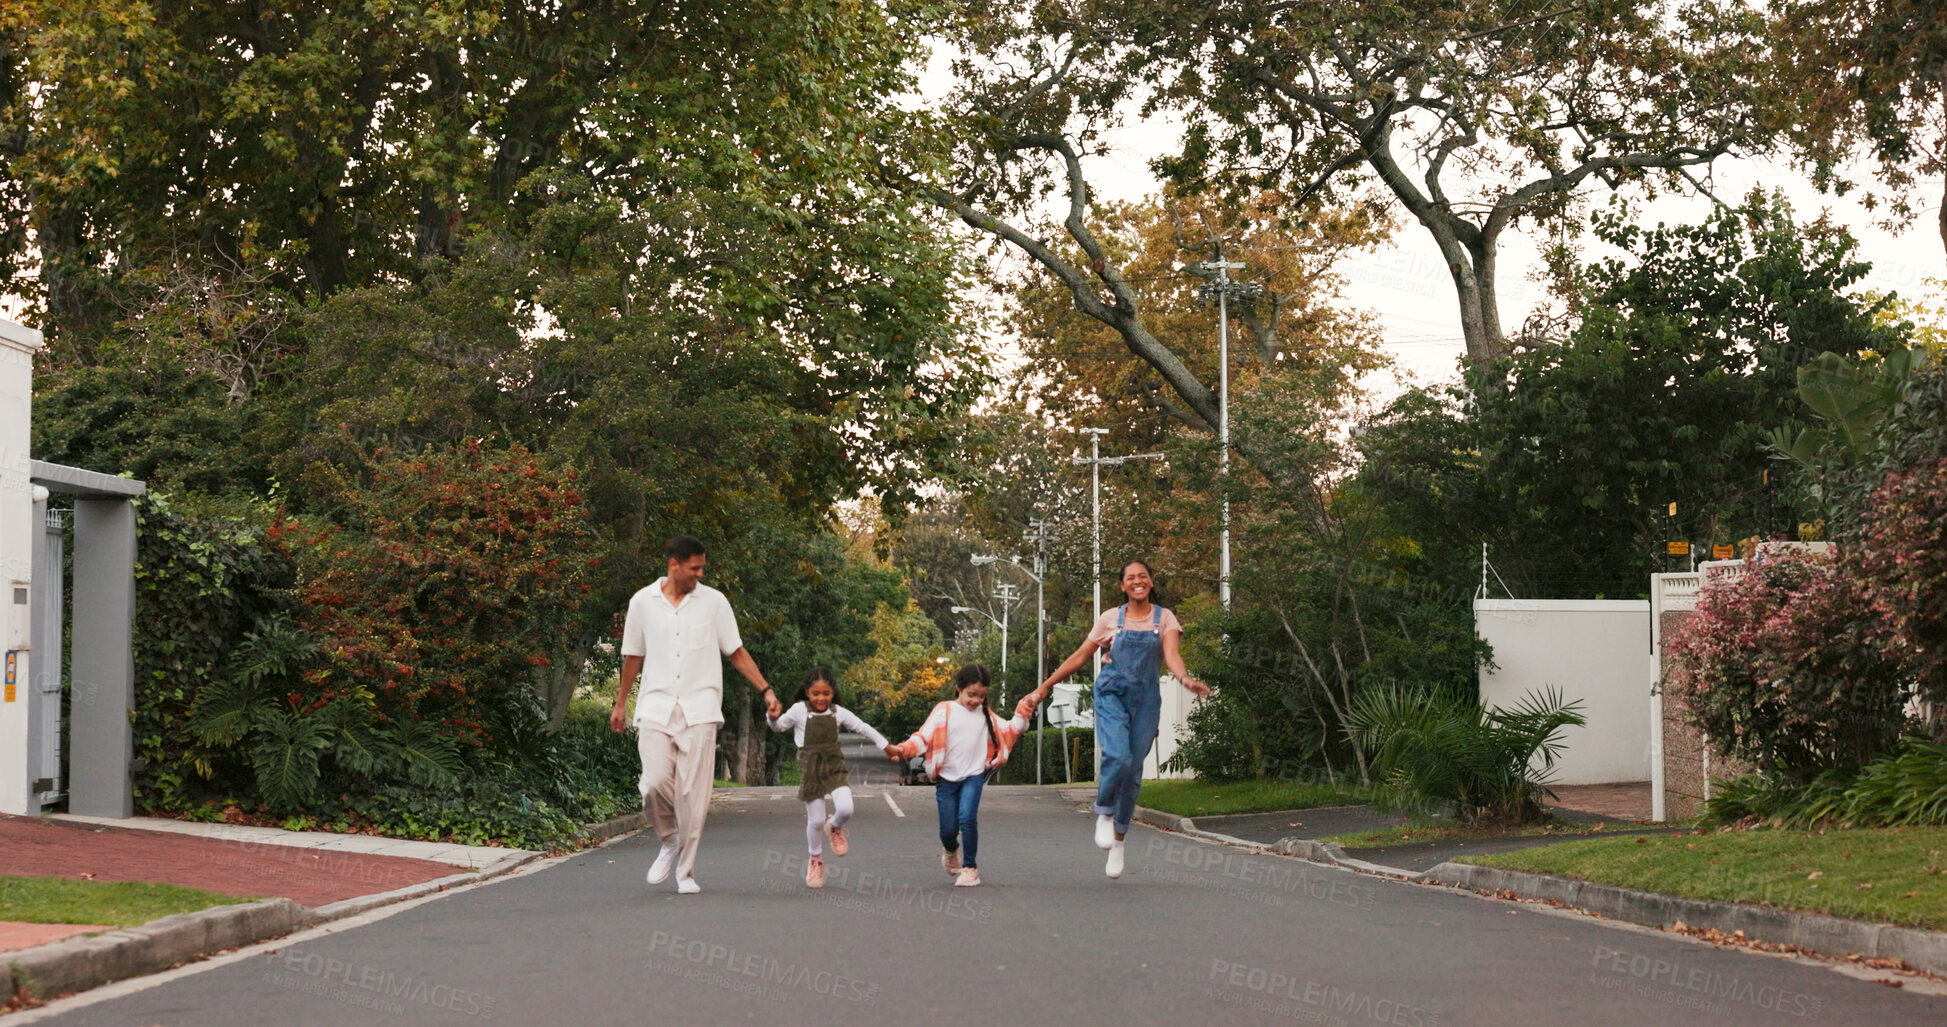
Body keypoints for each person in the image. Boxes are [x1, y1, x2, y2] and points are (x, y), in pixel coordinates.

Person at [609, 535, 782, 894]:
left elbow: (735, 651)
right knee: (654, 783)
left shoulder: (714, 602)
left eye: (702, 567)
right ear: (674, 565)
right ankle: (669, 839)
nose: (700, 574)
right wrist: (621, 702)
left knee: (694, 795)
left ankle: (685, 872)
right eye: (695, 568)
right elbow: (633, 656)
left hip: (701, 708)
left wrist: (765, 689)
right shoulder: (641, 602)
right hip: (656, 705)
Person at [1029, 560, 1210, 879]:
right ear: (1123, 586)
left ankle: (1119, 841)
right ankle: (1104, 812)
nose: (1137, 581)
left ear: (1151, 582)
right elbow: (1080, 655)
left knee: (1133, 772)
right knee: (1117, 755)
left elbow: (1171, 655)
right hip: (1112, 692)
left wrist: (1183, 679)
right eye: (1130, 577)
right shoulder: (1111, 618)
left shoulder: (1164, 617)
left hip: (1146, 699)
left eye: (1143, 576)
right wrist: (1045, 686)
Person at [889, 664, 1038, 888]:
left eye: (981, 696)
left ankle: (970, 868)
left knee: (967, 818)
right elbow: (923, 738)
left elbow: (1011, 730)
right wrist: (904, 750)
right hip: (946, 779)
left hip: (973, 776)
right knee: (948, 830)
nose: (976, 700)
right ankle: (950, 849)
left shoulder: (986, 716)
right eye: (971, 694)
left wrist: (1024, 710)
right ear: (958, 688)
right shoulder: (944, 710)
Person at [766, 668, 900, 888]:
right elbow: (778, 727)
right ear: (807, 692)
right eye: (816, 693)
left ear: (833, 693)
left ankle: (835, 826)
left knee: (846, 809)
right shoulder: (799, 710)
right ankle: (815, 861)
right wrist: (771, 717)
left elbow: (863, 728)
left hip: (835, 766)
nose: (821, 698)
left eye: (826, 693)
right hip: (810, 769)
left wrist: (887, 747)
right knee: (816, 820)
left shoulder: (839, 713)